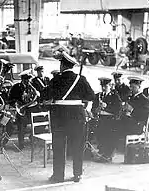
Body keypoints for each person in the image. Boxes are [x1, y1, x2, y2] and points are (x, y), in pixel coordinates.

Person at [46, 51, 94, 183]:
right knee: (78, 146)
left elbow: (44, 96)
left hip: (59, 117)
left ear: (62, 65)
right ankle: (77, 174)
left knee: (59, 147)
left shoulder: (56, 79)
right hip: (76, 117)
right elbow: (91, 96)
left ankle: (58, 176)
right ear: (71, 66)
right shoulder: (81, 79)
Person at [91, 77, 122, 163]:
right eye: (102, 86)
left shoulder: (115, 96)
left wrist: (106, 107)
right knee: (99, 135)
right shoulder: (98, 96)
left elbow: (118, 109)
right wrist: (96, 109)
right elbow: (93, 109)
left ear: (110, 86)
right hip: (100, 118)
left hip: (110, 120)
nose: (104, 88)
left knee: (109, 136)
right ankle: (102, 152)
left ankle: (108, 154)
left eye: (106, 86)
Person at [8, 69, 40, 150]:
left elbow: (37, 97)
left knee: (41, 120)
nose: (28, 81)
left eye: (29, 79)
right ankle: (21, 145)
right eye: (26, 79)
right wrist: (16, 104)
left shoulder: (33, 86)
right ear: (22, 79)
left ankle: (33, 138)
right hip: (22, 110)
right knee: (21, 126)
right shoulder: (16, 87)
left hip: (32, 108)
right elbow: (10, 99)